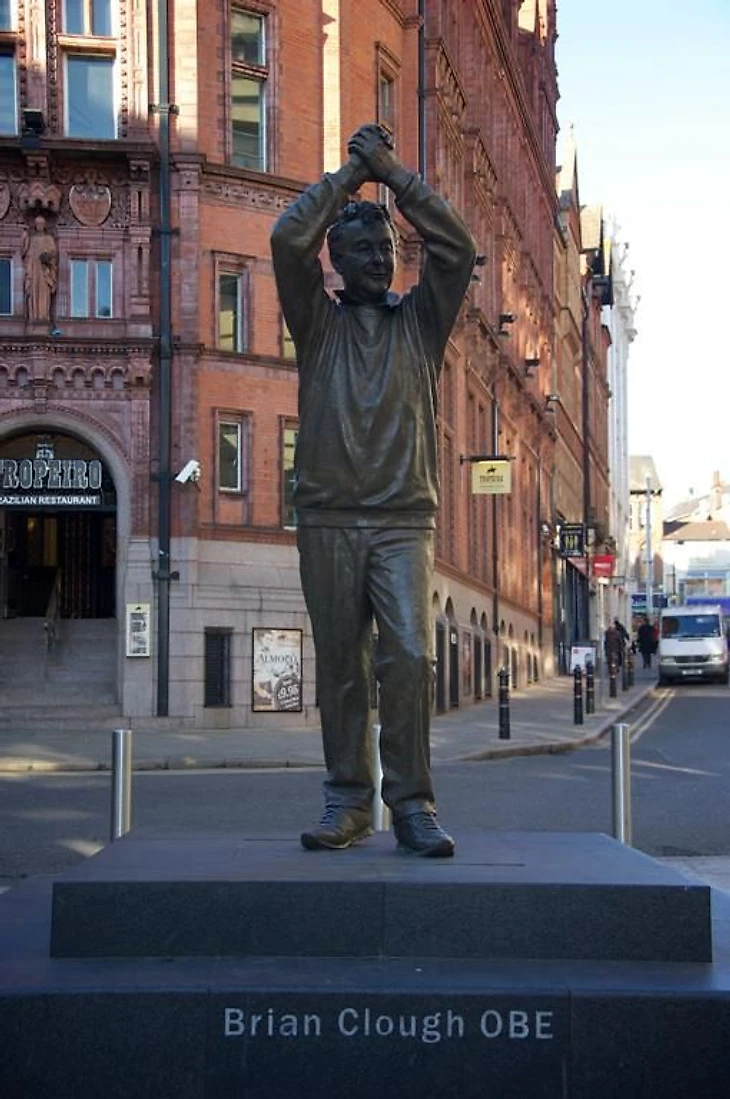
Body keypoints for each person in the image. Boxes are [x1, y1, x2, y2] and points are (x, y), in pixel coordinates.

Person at [271, 123, 476, 857]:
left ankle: (412, 802)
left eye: (387, 250)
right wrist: (347, 177)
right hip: (327, 517)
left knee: (411, 658)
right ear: (337, 259)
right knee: (343, 667)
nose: (378, 258)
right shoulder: (316, 324)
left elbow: (458, 249)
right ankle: (347, 801)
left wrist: (392, 174)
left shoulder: (420, 322)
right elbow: (285, 238)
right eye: (361, 249)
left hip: (401, 520)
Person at [21, 215, 58, 323]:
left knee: (44, 293)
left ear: (45, 225)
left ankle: (43, 316)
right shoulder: (31, 239)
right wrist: (25, 237)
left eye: (41, 224)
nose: (40, 226)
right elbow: (24, 253)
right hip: (33, 270)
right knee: (32, 292)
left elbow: (54, 254)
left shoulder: (49, 238)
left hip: (44, 271)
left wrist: (47, 258)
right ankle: (33, 316)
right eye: (37, 224)